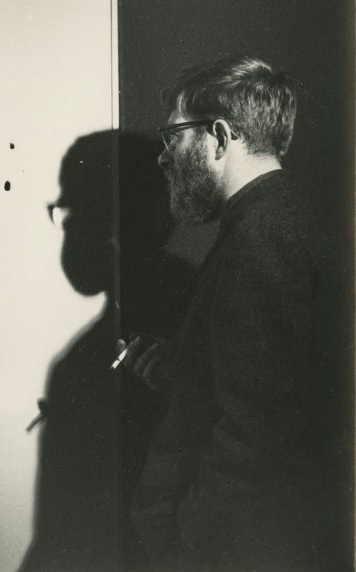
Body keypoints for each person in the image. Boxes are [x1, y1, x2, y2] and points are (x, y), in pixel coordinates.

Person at [121, 54, 351, 570]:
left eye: (172, 136)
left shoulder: (262, 238)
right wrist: (186, 371)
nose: (163, 158)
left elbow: (254, 438)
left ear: (220, 137)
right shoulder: (277, 219)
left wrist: (184, 550)